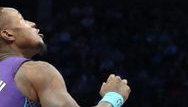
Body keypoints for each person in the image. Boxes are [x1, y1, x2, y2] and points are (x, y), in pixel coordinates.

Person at [0, 6, 131, 107]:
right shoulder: (35, 71)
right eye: (22, 20)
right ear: (8, 34)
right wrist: (113, 97)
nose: (32, 23)